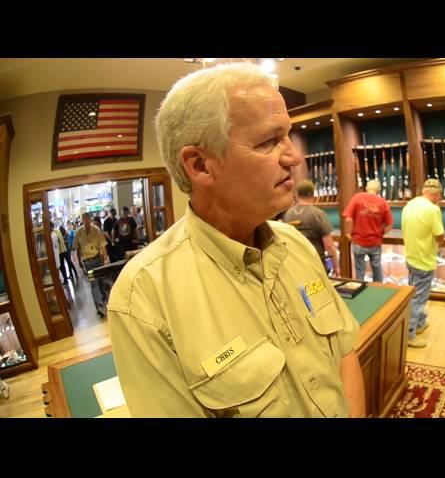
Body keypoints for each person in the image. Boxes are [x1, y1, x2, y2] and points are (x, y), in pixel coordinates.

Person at [107, 62, 365, 418]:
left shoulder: (297, 246)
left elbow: (346, 353)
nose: (294, 156)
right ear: (199, 166)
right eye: (268, 141)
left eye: (287, 135)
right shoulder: (145, 299)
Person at [401, 179, 445, 348]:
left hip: (411, 258)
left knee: (414, 295)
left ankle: (419, 324)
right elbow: (440, 235)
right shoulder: (433, 209)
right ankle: (409, 334)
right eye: (439, 195)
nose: (439, 198)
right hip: (424, 261)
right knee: (418, 299)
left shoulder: (409, 205)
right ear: (436, 193)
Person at [283, 180, 340, 276]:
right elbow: (329, 245)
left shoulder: (288, 214)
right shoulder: (318, 214)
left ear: (297, 194)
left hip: (294, 265)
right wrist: (336, 266)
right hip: (315, 264)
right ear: (313, 194)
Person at [342, 179, 393, 282]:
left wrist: (348, 232)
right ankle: (378, 291)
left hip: (358, 241)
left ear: (366, 188)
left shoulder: (357, 198)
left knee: (359, 270)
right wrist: (380, 233)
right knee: (377, 268)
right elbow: (389, 225)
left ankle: (359, 291)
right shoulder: (382, 203)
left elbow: (348, 219)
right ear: (378, 190)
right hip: (375, 242)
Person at [75, 212, 109, 316]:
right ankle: (99, 306)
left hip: (98, 259)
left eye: (88, 219)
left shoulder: (96, 230)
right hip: (87, 262)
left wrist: (105, 259)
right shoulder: (79, 232)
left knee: (101, 281)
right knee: (94, 284)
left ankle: (104, 301)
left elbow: (103, 245)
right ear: (82, 220)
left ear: (90, 219)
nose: (86, 221)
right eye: (84, 219)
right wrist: (79, 261)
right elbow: (77, 247)